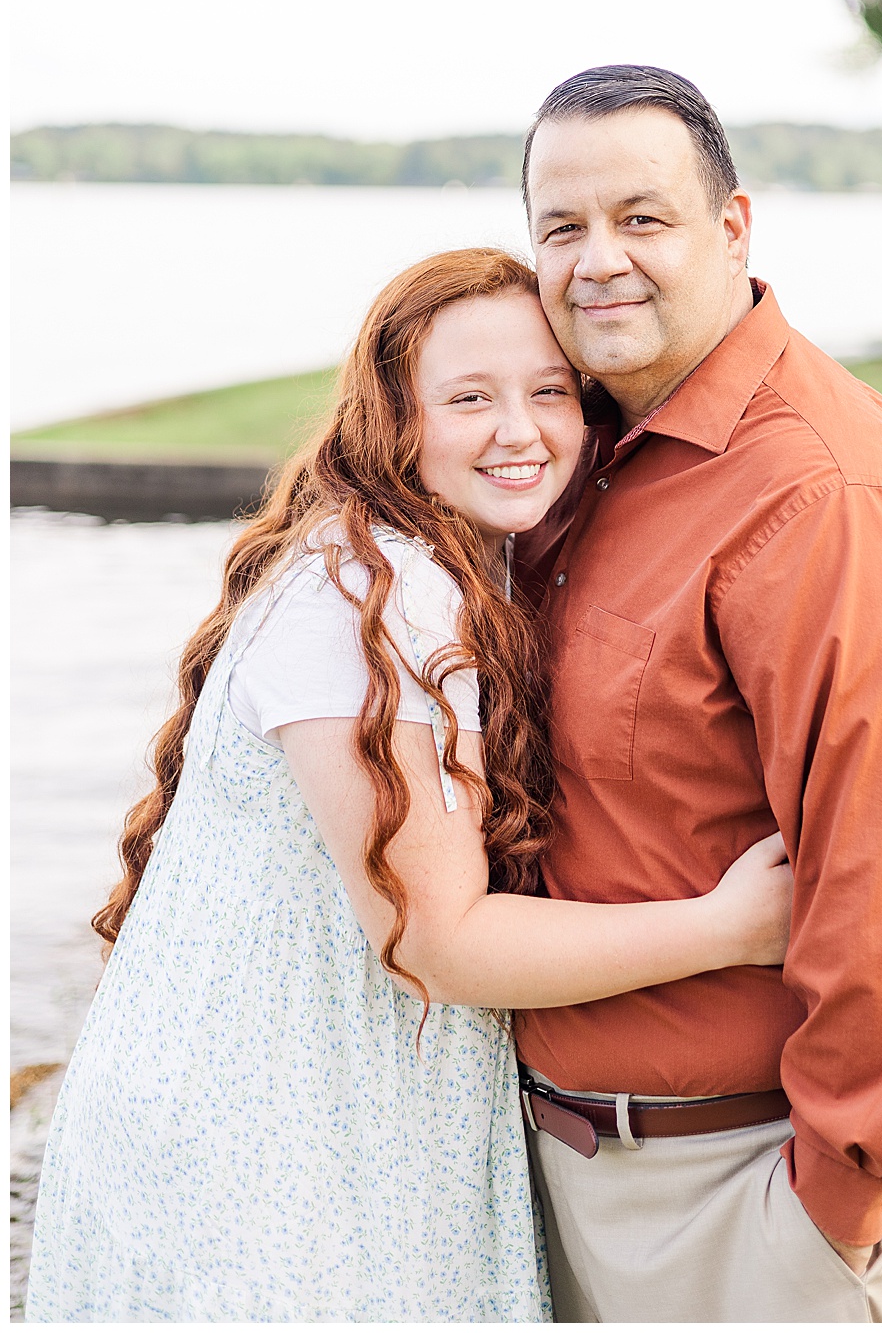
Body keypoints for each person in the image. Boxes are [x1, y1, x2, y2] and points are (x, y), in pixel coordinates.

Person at [25, 247, 792, 1324]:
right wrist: (729, 926)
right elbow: (440, 938)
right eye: (470, 397)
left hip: (291, 1116)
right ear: (398, 419)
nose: (519, 429)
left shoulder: (417, 566)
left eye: (550, 392)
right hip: (263, 1155)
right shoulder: (380, 599)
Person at [516, 64, 882, 1324]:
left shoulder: (825, 496)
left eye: (642, 217)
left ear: (732, 229)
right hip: (583, 1171)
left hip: (757, 1187)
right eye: (561, 227)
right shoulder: (579, 452)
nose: (597, 260)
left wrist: (834, 1212)